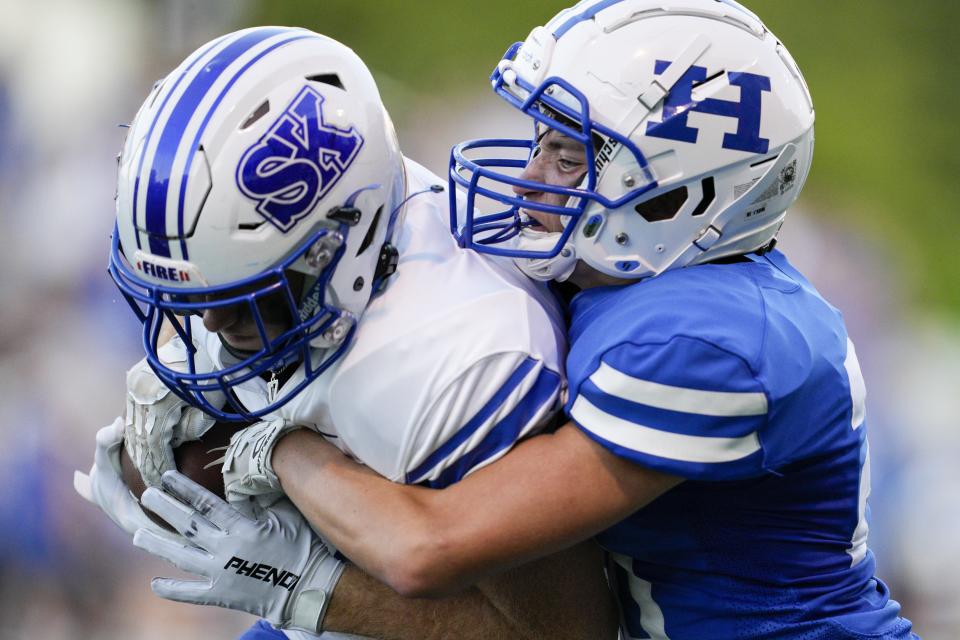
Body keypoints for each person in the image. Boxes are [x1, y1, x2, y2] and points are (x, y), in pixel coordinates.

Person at [134, 2, 921, 639]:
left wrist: (279, 448)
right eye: (542, 139)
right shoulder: (631, 276)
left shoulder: (710, 341)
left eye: (571, 157)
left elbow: (427, 548)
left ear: (686, 192)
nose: (533, 175)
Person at [73, 26, 620, 640]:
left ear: (346, 245)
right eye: (188, 299)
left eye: (244, 299)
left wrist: (310, 586)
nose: (210, 327)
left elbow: (564, 635)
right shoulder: (322, 230)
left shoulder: (459, 358)